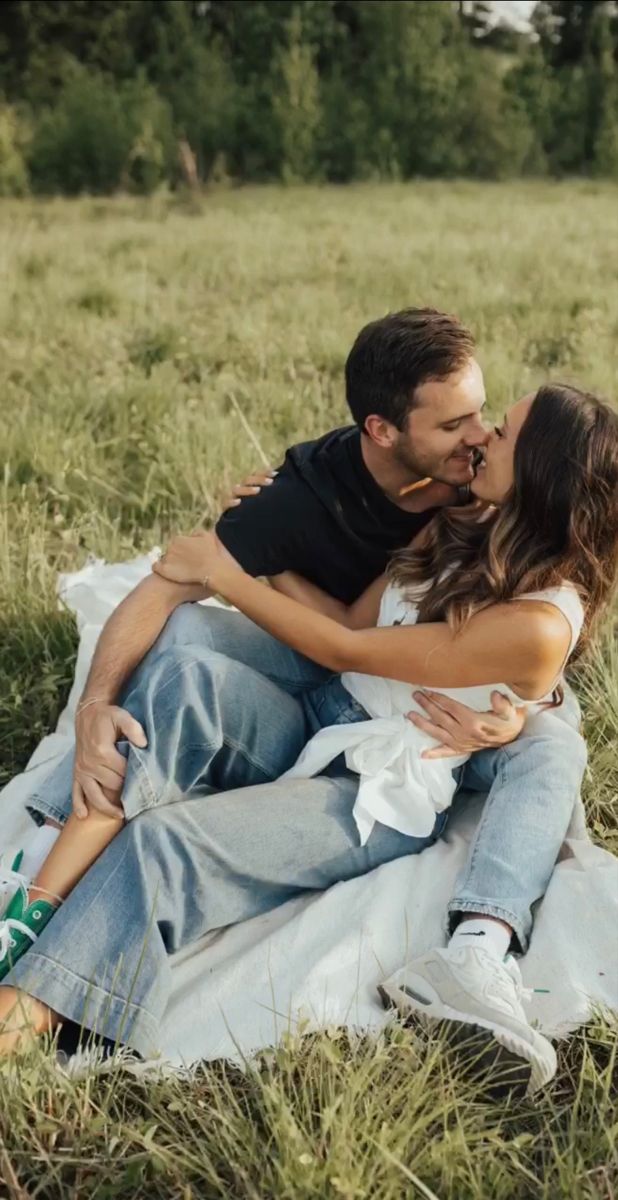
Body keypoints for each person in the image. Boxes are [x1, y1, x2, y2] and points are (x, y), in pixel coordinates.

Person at [1, 311, 609, 1091]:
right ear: (383, 428)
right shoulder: (455, 515)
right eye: (474, 421)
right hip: (331, 713)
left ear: (543, 476)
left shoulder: (536, 619)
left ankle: (30, 1010)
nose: (483, 435)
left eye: (501, 431)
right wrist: (255, 540)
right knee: (185, 661)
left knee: (168, 847)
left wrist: (229, 575)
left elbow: (354, 649)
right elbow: (352, 624)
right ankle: (71, 830)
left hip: (380, 792)